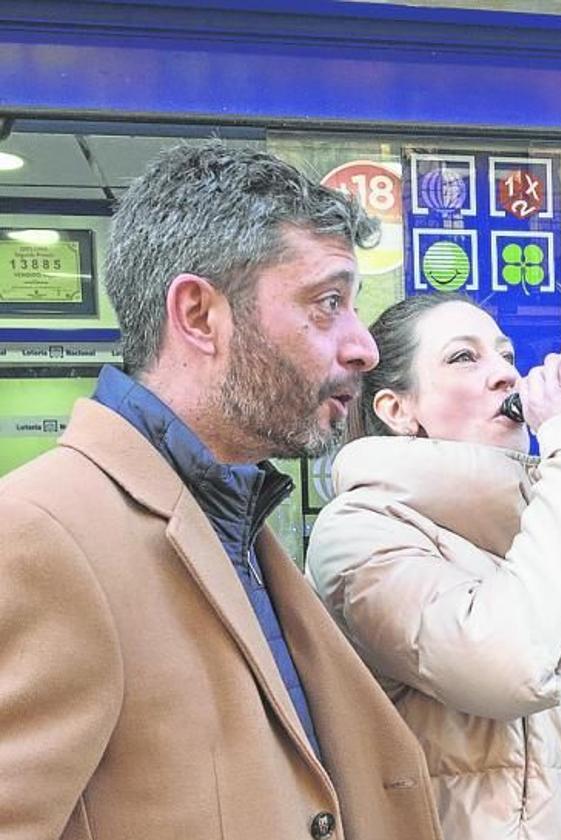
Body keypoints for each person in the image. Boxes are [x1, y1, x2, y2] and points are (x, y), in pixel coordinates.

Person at [0, 141, 441, 840]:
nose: (364, 347)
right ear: (200, 316)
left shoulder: (234, 517)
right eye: (328, 303)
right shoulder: (35, 534)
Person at [305, 295, 561, 840]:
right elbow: (511, 665)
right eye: (464, 358)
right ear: (396, 410)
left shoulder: (523, 533)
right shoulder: (358, 532)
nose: (504, 374)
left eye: (505, 356)